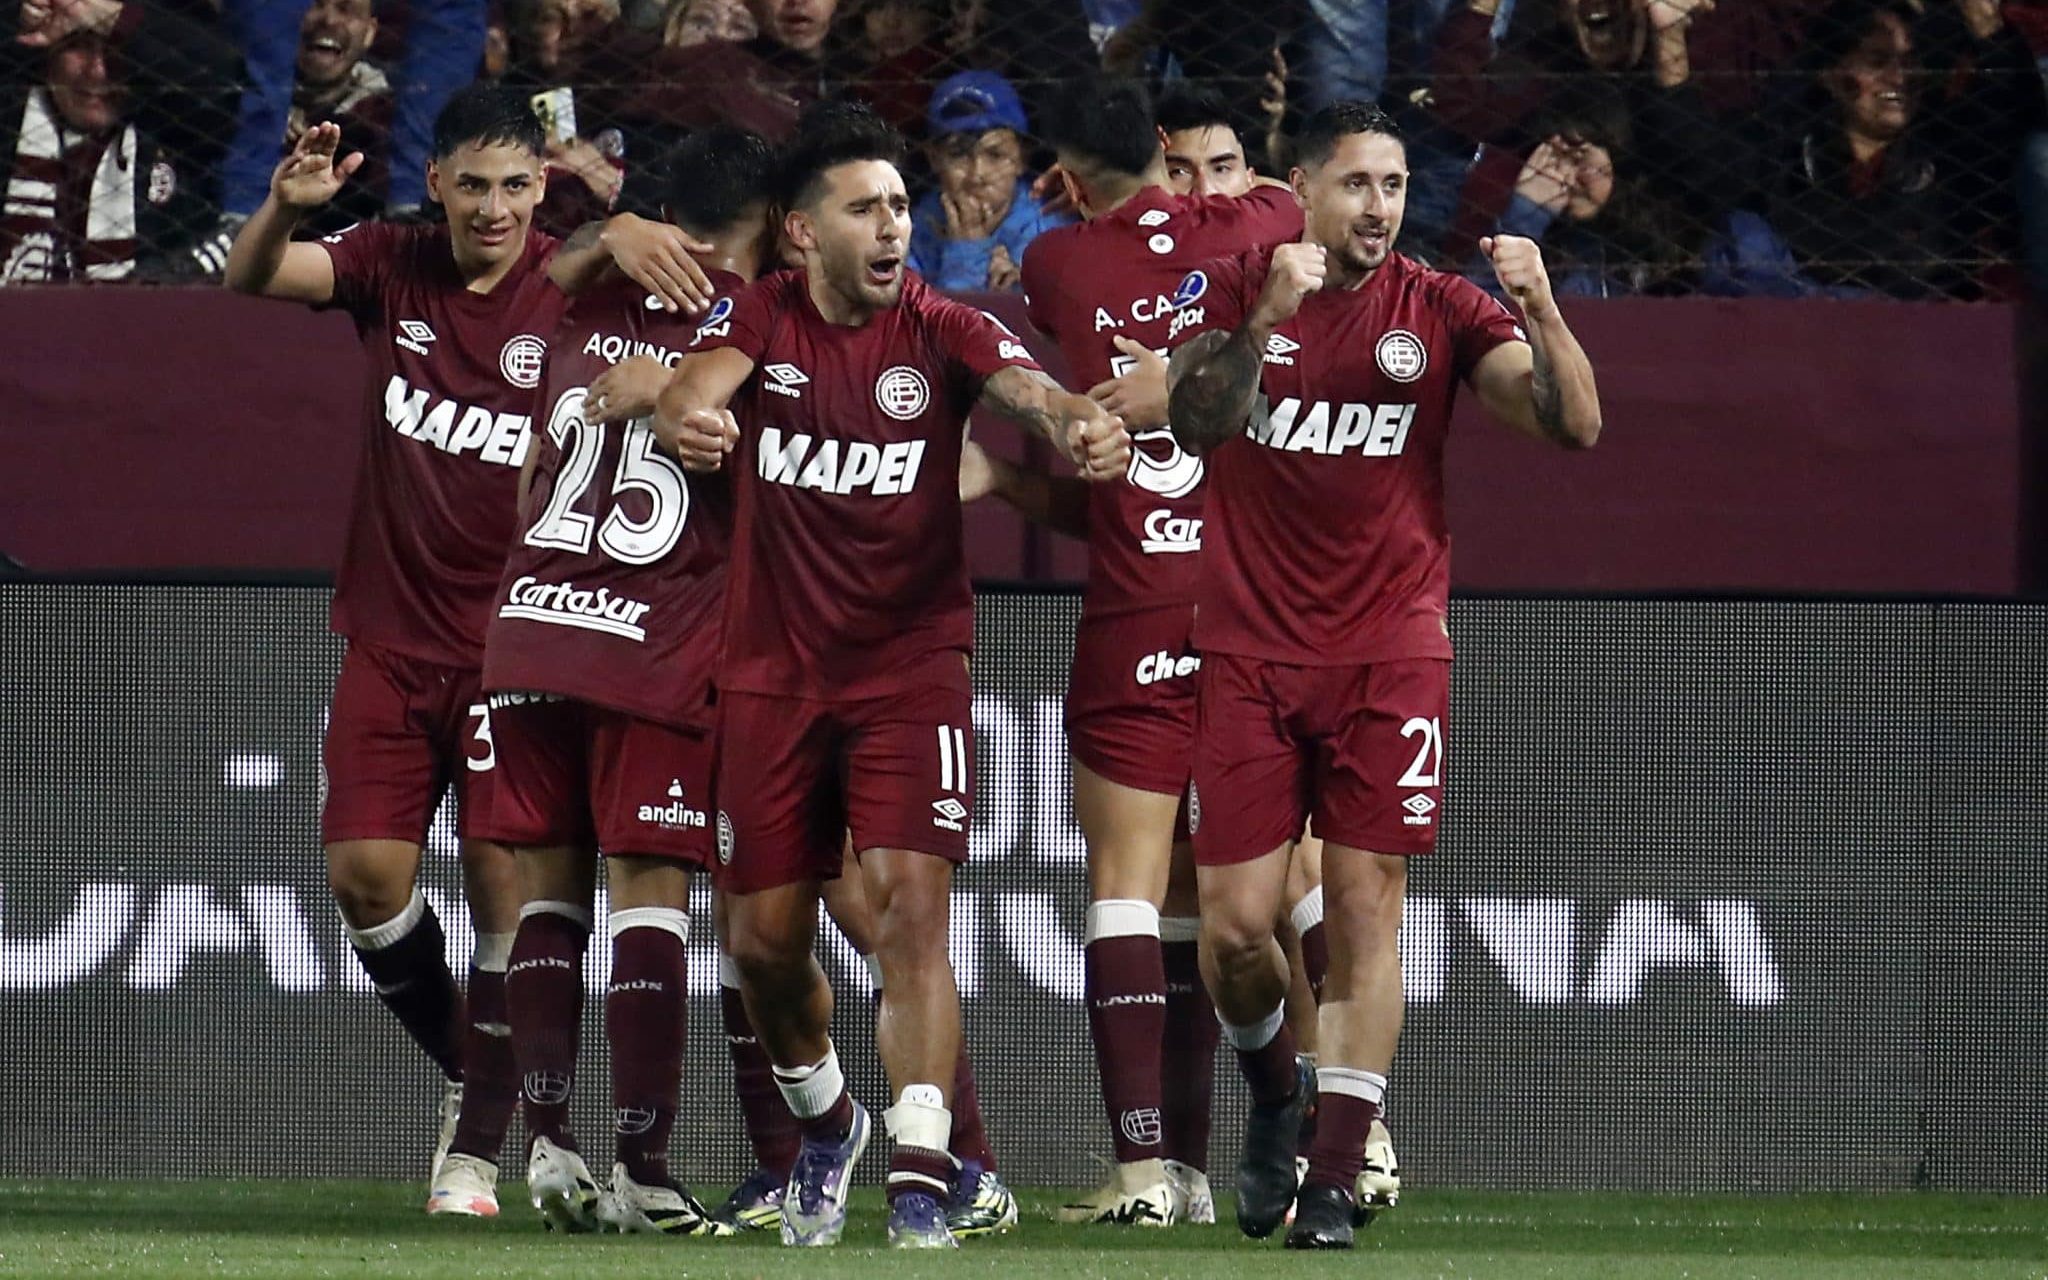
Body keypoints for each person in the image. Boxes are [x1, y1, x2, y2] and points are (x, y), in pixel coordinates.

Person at [221, 82, 708, 1218]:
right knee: (364, 879)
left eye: (515, 185)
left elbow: (648, 292)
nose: (493, 208)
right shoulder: (391, 262)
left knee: (505, 900)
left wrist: (617, 230)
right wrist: (282, 207)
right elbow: (250, 277)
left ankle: (473, 1154)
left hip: (512, 645)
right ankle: (489, 1087)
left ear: (544, 186)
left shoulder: (574, 283)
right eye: (473, 185)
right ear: (435, 183)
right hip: (389, 641)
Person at [651, 99, 1129, 1249]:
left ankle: (923, 1169)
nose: (891, 229)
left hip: (910, 668)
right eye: (863, 209)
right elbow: (690, 386)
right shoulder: (757, 313)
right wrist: (692, 422)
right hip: (770, 676)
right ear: (801, 230)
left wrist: (1072, 421)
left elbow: (1028, 386)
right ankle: (828, 1125)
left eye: (900, 207)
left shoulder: (940, 324)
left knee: (912, 915)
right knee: (762, 944)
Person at [1166, 100, 1601, 1248]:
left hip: (1389, 654)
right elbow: (1197, 421)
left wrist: (1543, 310)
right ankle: (1272, 1095)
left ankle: (1328, 1177)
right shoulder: (1232, 283)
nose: (1378, 208)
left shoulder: (1440, 308)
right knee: (1235, 929)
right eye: (1356, 183)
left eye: (1395, 186)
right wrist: (1263, 319)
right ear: (1300, 187)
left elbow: (1573, 426)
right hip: (1250, 652)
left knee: (1364, 915)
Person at [477, 124, 774, 1237]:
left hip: (531, 622)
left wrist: (607, 231)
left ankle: (549, 1148)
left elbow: (524, 485)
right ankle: (644, 1166)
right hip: (651, 636)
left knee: (549, 898)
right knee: (647, 897)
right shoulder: (749, 324)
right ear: (758, 223)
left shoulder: (575, 306)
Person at [1018, 76, 1301, 1228]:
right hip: (1251, 600)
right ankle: (1328, 1125)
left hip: (1136, 595)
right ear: (1177, 159)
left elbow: (1068, 282)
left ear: (1070, 175)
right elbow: (1288, 211)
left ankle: (1149, 1171)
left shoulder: (1057, 262)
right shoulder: (1254, 229)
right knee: (1266, 898)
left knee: (1128, 893)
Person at [2, 0, 233, 282]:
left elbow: (225, 76)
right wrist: (17, 14)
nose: (97, 71)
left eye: (117, 48)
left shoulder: (173, 133)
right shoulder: (12, 114)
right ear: (48, 52)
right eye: (77, 45)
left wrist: (112, 15)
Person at [908, 70, 1069, 293]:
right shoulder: (918, 224)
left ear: (1022, 158)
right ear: (934, 158)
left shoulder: (1051, 231)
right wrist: (967, 251)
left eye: (995, 155)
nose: (977, 175)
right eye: (958, 154)